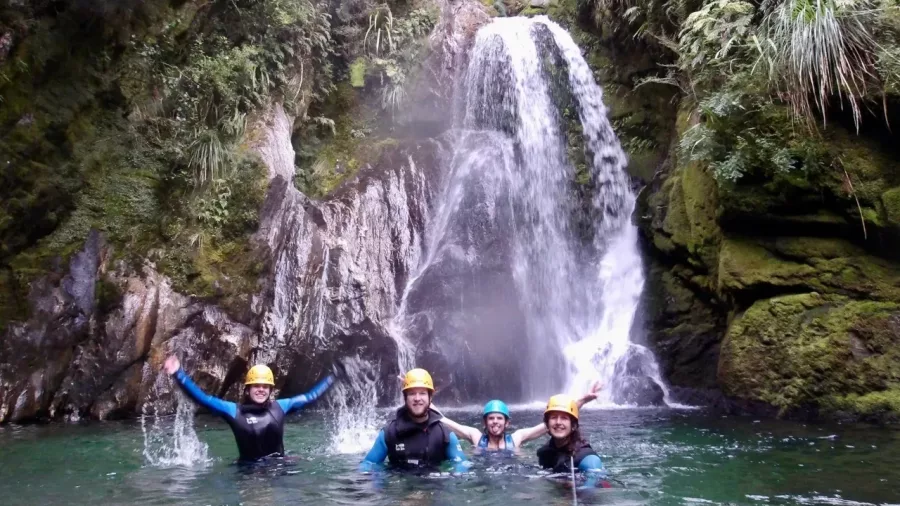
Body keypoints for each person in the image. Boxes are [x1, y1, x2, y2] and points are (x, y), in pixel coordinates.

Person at [163, 355, 339, 462]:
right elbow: (204, 399)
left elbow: (310, 397)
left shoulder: (281, 406)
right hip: (249, 473)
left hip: (280, 468)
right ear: (247, 389)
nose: (261, 389)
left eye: (265, 386)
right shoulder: (234, 411)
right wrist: (178, 373)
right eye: (256, 386)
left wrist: (333, 377)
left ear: (270, 390)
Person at [437, 383, 602, 454]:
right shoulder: (476, 437)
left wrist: (582, 401)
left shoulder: (516, 439)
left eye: (499, 418)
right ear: (485, 422)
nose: (495, 421)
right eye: (491, 418)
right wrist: (425, 402)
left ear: (507, 422)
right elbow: (444, 420)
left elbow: (549, 425)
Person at [359, 368, 471, 473]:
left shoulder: (444, 435)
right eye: (412, 393)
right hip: (399, 490)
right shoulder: (389, 433)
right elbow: (368, 464)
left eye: (422, 393)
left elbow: (461, 464)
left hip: (434, 489)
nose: (417, 398)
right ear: (405, 398)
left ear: (430, 398)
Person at [537, 393, 609, 488]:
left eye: (564, 418)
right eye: (554, 417)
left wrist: (576, 490)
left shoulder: (587, 457)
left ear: (573, 426)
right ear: (547, 424)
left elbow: (592, 484)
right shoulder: (545, 453)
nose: (558, 422)